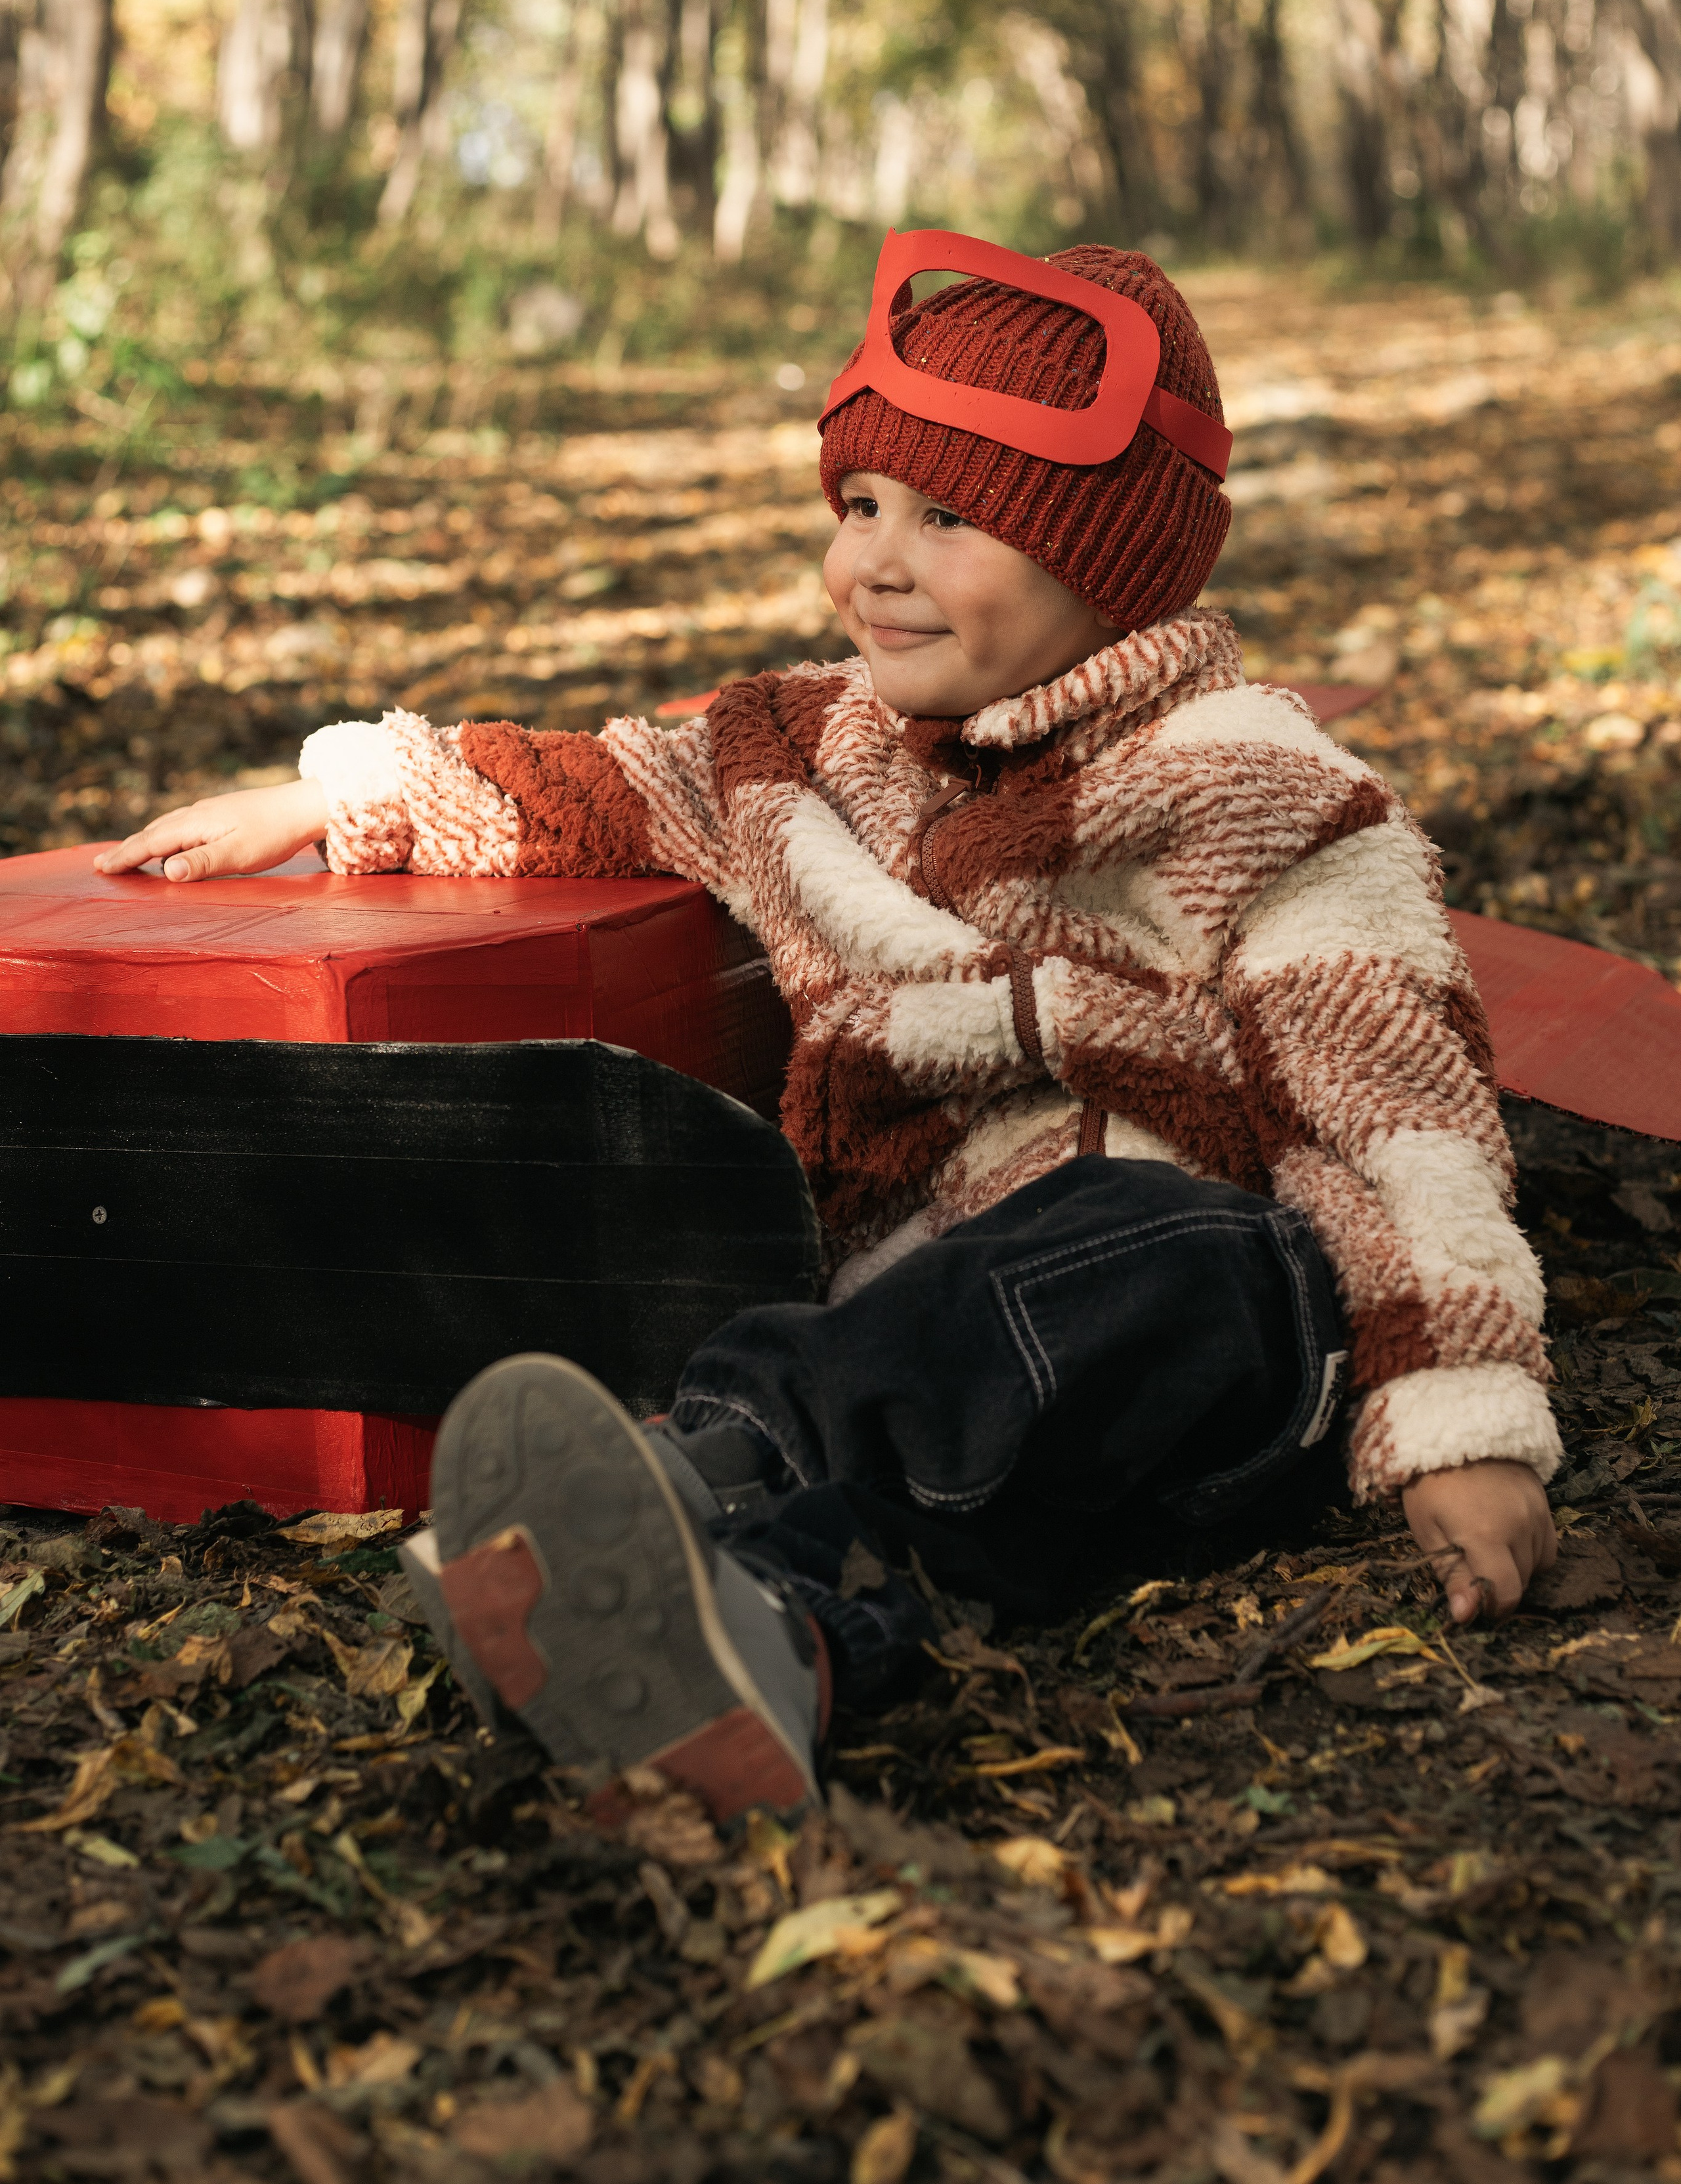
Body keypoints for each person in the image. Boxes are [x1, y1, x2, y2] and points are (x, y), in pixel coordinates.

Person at [99, 230, 1558, 1821]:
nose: (875, 560)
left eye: (948, 520)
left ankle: (687, 1474)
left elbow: (1394, 1114)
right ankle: (761, 1633)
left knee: (1169, 1250)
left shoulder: (1249, 789)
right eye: (858, 506)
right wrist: (335, 793)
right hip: (915, 1353)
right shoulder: (807, 753)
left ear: (1110, 559)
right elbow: (596, 789)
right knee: (952, 1496)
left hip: (1201, 1326)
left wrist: (1461, 1423)